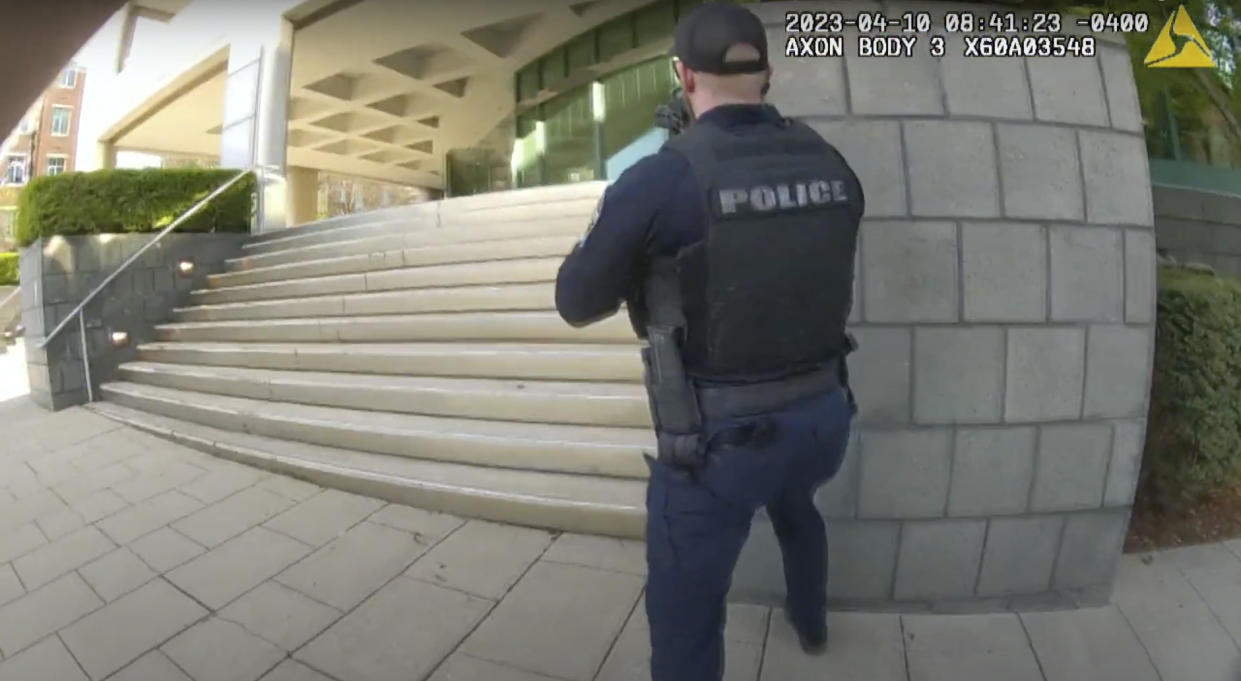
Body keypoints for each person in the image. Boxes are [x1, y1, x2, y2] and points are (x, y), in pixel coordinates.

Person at [554, 3, 864, 680]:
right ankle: (810, 625)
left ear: (681, 75)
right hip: (822, 417)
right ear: (768, 74)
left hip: (717, 443)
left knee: (686, 616)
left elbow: (576, 301)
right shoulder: (831, 160)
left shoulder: (664, 176)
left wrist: (654, 180)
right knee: (796, 507)